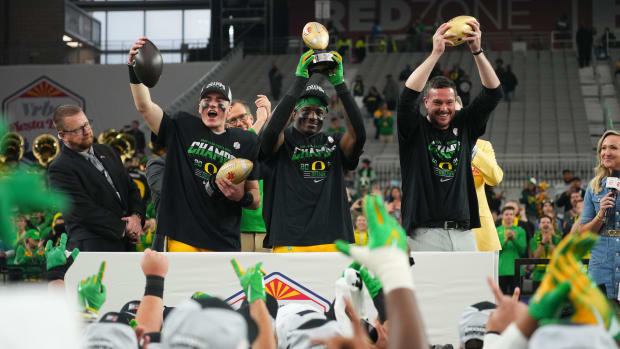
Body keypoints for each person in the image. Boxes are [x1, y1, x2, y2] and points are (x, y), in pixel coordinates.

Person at [128, 37, 260, 252]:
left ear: (228, 109)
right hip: (184, 236)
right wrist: (134, 69)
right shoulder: (183, 126)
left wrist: (241, 196)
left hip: (224, 239)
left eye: (220, 102)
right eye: (207, 101)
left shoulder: (245, 141)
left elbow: (255, 199)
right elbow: (144, 106)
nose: (213, 105)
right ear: (199, 108)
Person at [398, 19, 503, 251]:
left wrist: (477, 51)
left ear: (455, 104)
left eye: (449, 102)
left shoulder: (464, 126)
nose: (444, 108)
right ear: (426, 102)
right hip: (423, 233)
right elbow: (406, 98)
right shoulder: (413, 131)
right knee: (426, 289)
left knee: (469, 288)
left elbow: (494, 93)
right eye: (437, 102)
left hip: (465, 232)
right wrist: (435, 53)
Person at [259, 49, 366, 252]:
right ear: (293, 112)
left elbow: (358, 135)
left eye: (319, 112)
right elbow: (270, 135)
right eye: (306, 110)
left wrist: (340, 85)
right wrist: (300, 80)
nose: (313, 116)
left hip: (332, 240)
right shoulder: (283, 141)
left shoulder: (333, 142)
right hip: (288, 239)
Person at [48, 105, 145, 252]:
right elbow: (83, 211)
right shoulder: (60, 168)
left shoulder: (108, 151)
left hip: (126, 244)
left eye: (86, 124)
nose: (86, 131)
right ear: (62, 135)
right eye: (77, 129)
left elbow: (131, 188)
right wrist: (126, 228)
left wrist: (136, 218)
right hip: (92, 248)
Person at [226, 98, 272, 252]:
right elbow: (244, 144)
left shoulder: (266, 144)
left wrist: (269, 117)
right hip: (236, 230)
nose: (239, 123)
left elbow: (276, 136)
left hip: (268, 229)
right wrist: (261, 121)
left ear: (250, 118)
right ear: (226, 126)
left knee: (268, 276)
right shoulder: (225, 147)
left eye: (242, 117)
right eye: (233, 120)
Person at [580, 130, 620, 304]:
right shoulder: (593, 187)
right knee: (602, 323)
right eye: (603, 148)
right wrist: (601, 214)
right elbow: (583, 233)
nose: (606, 152)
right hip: (601, 264)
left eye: (613, 148)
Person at [497, 207, 527, 294]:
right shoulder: (496, 230)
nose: (509, 216)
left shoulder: (521, 231)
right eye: (506, 214)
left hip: (517, 270)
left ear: (515, 217)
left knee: (517, 298)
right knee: (501, 300)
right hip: (501, 270)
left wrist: (514, 239)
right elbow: (495, 251)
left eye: (511, 214)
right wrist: (506, 240)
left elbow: (522, 250)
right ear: (502, 216)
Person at [529, 215, 561, 290]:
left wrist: (550, 243)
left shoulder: (557, 239)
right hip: (538, 277)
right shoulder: (533, 239)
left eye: (548, 222)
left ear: (551, 225)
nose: (546, 224)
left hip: (553, 276)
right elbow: (536, 256)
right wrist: (543, 242)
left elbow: (558, 256)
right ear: (539, 225)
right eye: (543, 222)